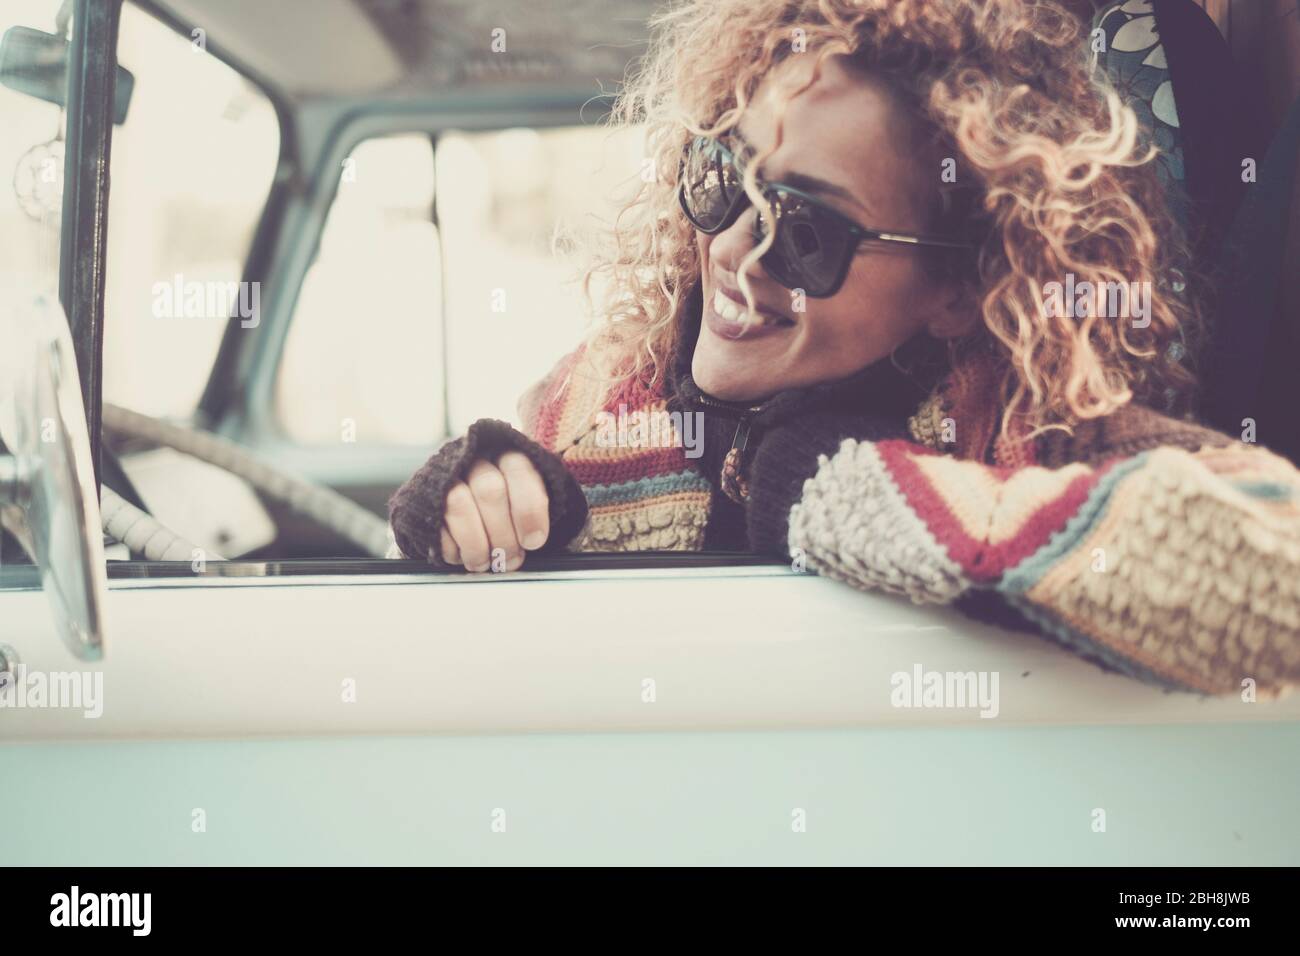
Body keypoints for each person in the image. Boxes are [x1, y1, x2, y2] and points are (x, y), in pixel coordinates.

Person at [388, 0, 1300, 697]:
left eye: (809, 231)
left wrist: (842, 488)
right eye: (722, 177)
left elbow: (1275, 569)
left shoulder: (1022, 427)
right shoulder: (593, 404)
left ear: (955, 291)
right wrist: (469, 509)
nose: (735, 254)